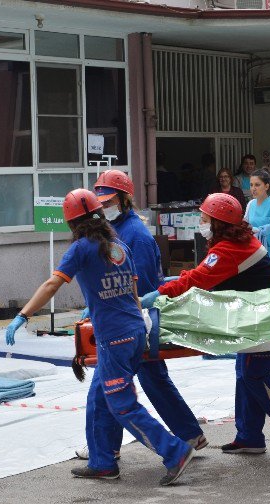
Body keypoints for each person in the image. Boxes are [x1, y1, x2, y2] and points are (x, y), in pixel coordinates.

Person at [3, 189, 195, 486]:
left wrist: (23, 315)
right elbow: (133, 293)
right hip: (132, 332)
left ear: (72, 223)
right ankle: (102, 462)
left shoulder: (81, 248)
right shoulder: (119, 247)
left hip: (114, 339)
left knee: (122, 405)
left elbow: (53, 283)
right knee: (98, 399)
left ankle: (174, 451)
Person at [140, 193, 270, 457]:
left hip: (269, 317)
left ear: (218, 222)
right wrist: (177, 280)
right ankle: (250, 437)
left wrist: (159, 293)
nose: (200, 222)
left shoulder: (228, 250)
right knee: (245, 371)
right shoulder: (232, 243)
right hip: (260, 315)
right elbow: (202, 273)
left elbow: (199, 279)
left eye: (204, 218)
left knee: (254, 374)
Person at [70, 170, 206, 462]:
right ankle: (189, 435)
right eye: (100, 203)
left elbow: (139, 287)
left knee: (104, 392)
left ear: (123, 199)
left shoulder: (136, 236)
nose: (103, 208)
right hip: (130, 320)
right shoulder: (113, 231)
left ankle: (105, 453)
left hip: (130, 321)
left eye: (107, 202)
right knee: (153, 380)